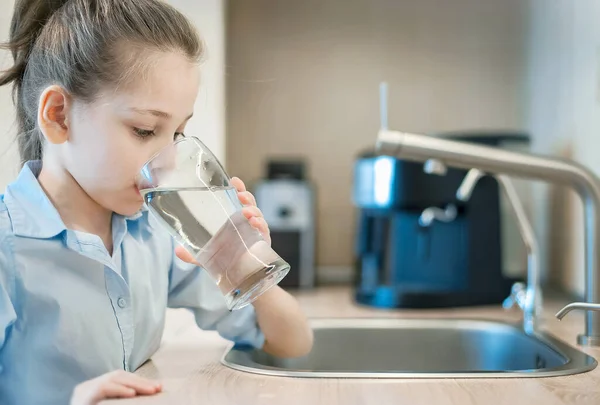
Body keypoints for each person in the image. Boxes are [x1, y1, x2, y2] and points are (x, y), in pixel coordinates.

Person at [0, 1, 313, 404]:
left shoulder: (152, 233)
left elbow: (293, 342)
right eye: (145, 130)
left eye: (178, 134)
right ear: (59, 115)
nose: (168, 162)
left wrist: (246, 266)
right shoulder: (9, 248)